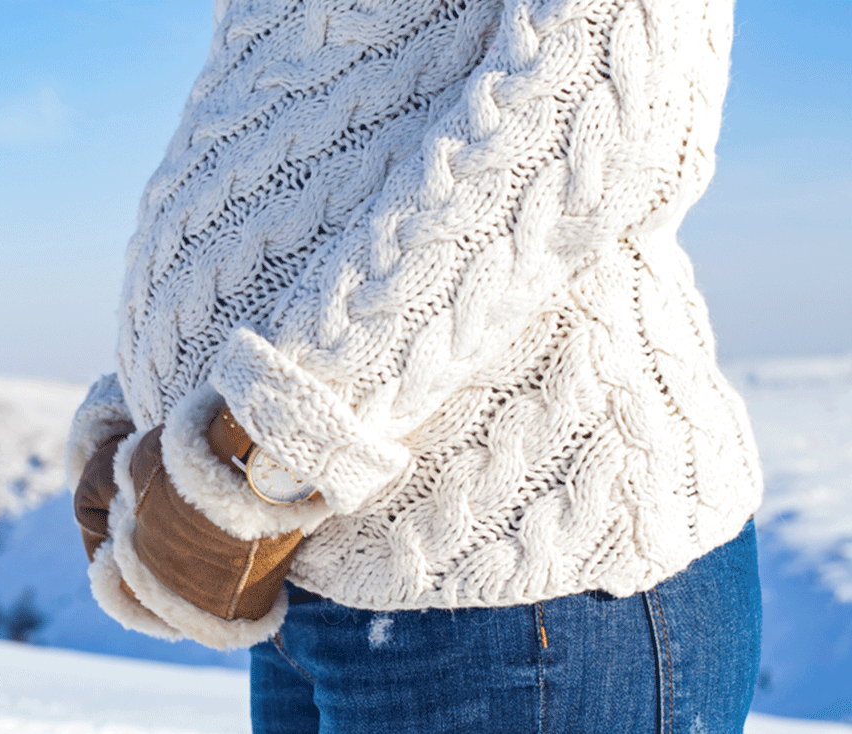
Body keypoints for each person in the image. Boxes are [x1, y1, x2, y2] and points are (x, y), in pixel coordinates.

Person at [67, 0, 763, 731]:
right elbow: (280, 134)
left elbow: (596, 118)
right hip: (301, 569)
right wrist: (152, 408)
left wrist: (268, 451)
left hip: (518, 583)